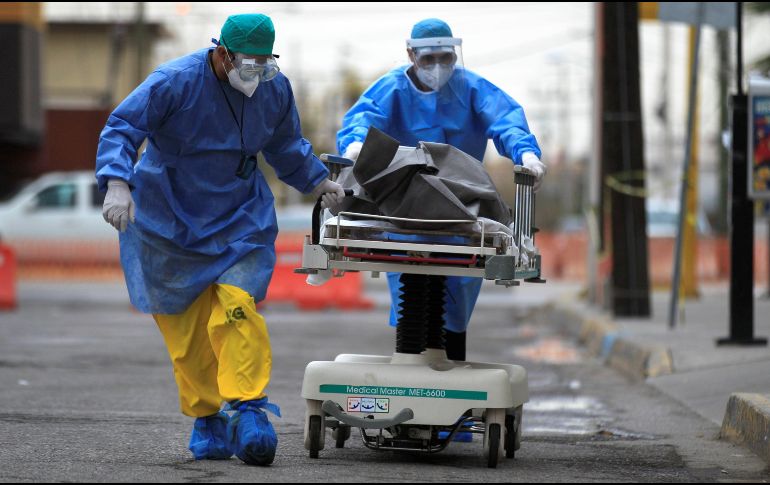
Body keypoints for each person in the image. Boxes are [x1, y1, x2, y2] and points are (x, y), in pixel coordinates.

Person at [96, 13, 344, 466]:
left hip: (238, 217)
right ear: (222, 53)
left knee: (237, 307)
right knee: (187, 335)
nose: (256, 72)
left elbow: (286, 145)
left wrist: (317, 181)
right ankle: (207, 418)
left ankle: (249, 409)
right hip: (168, 218)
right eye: (248, 63)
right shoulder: (173, 82)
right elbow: (122, 127)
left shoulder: (273, 87)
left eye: (264, 62)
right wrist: (116, 181)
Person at [335, 18, 545, 363]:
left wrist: (526, 154)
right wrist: (356, 145)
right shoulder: (391, 90)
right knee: (411, 298)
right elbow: (362, 118)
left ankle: (451, 374)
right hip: (403, 208)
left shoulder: (471, 88)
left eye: (445, 58)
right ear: (411, 55)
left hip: (462, 205)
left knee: (455, 301)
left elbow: (505, 118)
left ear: (454, 55)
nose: (437, 67)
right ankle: (417, 369)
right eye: (428, 58)